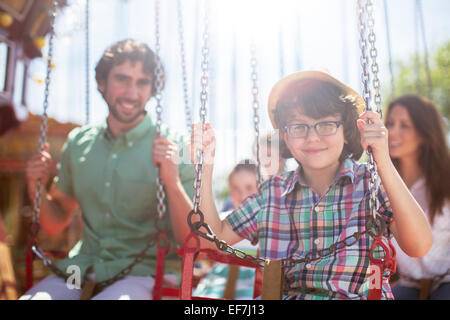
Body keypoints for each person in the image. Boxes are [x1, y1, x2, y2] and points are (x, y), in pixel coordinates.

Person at [189, 70, 433, 300]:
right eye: (298, 126)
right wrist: (205, 168)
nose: (312, 137)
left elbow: (419, 246)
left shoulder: (370, 184)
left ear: (347, 132)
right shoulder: (272, 194)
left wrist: (384, 162)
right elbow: (210, 241)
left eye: (326, 124)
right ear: (285, 135)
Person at [21, 39, 195, 300]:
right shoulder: (79, 143)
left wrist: (172, 182)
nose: (132, 92)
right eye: (122, 79)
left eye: (142, 82)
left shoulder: (176, 146)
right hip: (80, 268)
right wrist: (35, 186)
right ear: (101, 83)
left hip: (147, 273)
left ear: (152, 89)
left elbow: (191, 239)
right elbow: (55, 222)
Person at [385, 94, 450, 300]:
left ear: (424, 132)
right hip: (408, 284)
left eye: (404, 125)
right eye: (390, 123)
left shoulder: (446, 178)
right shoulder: (382, 184)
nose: (392, 132)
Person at [194, 160, 258, 299]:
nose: (242, 195)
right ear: (229, 188)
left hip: (251, 288)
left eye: (249, 187)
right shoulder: (220, 221)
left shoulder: (270, 226)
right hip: (216, 286)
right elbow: (203, 253)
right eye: (236, 188)